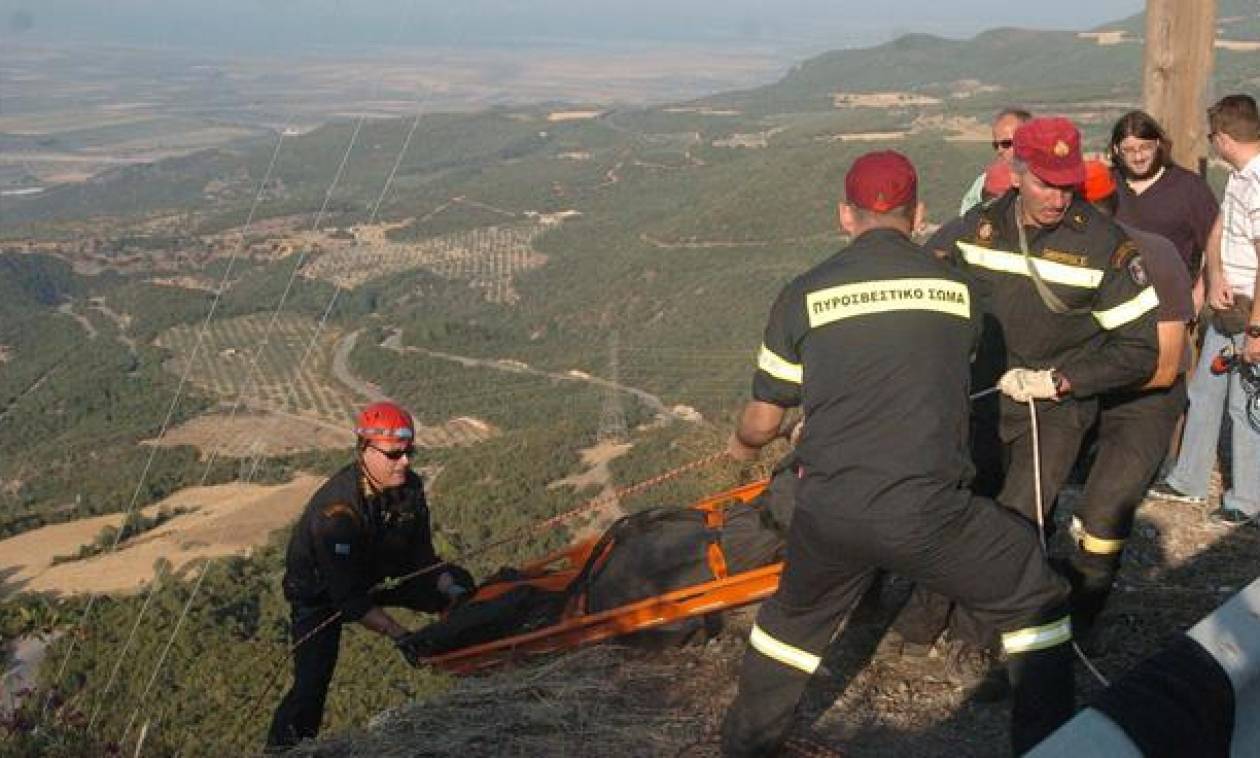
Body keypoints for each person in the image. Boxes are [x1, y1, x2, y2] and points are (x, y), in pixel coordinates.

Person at [720, 151, 1074, 757]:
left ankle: (745, 745)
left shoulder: (802, 294)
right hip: (928, 512)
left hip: (828, 508)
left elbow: (763, 419)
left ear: (844, 216)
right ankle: (1053, 744)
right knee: (1034, 594)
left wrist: (744, 443)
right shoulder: (959, 292)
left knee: (789, 627)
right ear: (918, 215)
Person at [890, 117, 1161, 669]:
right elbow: (933, 292)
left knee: (1018, 520)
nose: (1058, 198)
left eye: (1067, 184)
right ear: (1016, 174)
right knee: (957, 506)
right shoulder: (978, 229)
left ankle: (979, 636)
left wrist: (1062, 381)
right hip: (984, 396)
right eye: (1045, 183)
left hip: (1055, 407)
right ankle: (922, 618)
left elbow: (1139, 350)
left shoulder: (1104, 246)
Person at [267, 401, 475, 750]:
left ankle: (468, 657)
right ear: (365, 450)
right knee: (311, 683)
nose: (405, 462)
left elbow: (421, 554)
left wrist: (446, 586)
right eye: (395, 455)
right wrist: (400, 634)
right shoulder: (337, 512)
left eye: (410, 452)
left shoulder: (409, 486)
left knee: (461, 583)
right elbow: (348, 600)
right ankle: (285, 749)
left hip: (376, 573)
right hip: (321, 593)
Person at [1069, 161, 1195, 637]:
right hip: (1082, 387)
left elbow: (1164, 367)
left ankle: (1084, 617)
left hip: (1143, 398)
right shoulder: (1058, 255)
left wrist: (1072, 381)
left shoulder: (1153, 255)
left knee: (1106, 509)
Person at [1149, 94, 1260, 524]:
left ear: (1225, 138)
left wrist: (1255, 329)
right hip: (1227, 303)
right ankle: (1189, 480)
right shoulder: (1239, 178)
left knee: (1246, 404)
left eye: (1213, 137)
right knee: (1205, 391)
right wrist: (1212, 277)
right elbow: (1220, 228)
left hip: (1250, 310)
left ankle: (1247, 499)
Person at [1109, 110, 1219, 280]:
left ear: (1158, 144)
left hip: (1173, 297)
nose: (1138, 157)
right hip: (1116, 297)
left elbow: (1217, 245)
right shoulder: (1106, 185)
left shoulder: (1189, 188)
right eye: (1129, 150)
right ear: (1116, 150)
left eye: (1145, 147)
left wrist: (1200, 292)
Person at [960, 107, 1033, 215]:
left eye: (1007, 144)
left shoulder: (1052, 179)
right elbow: (966, 220)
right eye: (996, 145)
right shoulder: (983, 182)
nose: (1000, 150)